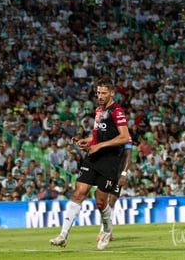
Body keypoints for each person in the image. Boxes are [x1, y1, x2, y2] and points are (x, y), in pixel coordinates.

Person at [49, 79, 130, 250]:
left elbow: (124, 138)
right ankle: (63, 235)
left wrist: (100, 145)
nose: (100, 96)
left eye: (103, 93)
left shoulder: (117, 112)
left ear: (112, 93)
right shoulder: (99, 111)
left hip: (110, 161)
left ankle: (107, 230)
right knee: (79, 192)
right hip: (93, 158)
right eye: (98, 93)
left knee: (100, 203)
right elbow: (96, 136)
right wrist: (85, 141)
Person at [96, 139, 133, 241]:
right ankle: (107, 231)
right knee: (103, 202)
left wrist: (124, 174)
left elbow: (129, 157)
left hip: (118, 174)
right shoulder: (108, 135)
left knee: (112, 201)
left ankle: (104, 232)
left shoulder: (126, 137)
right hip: (107, 173)